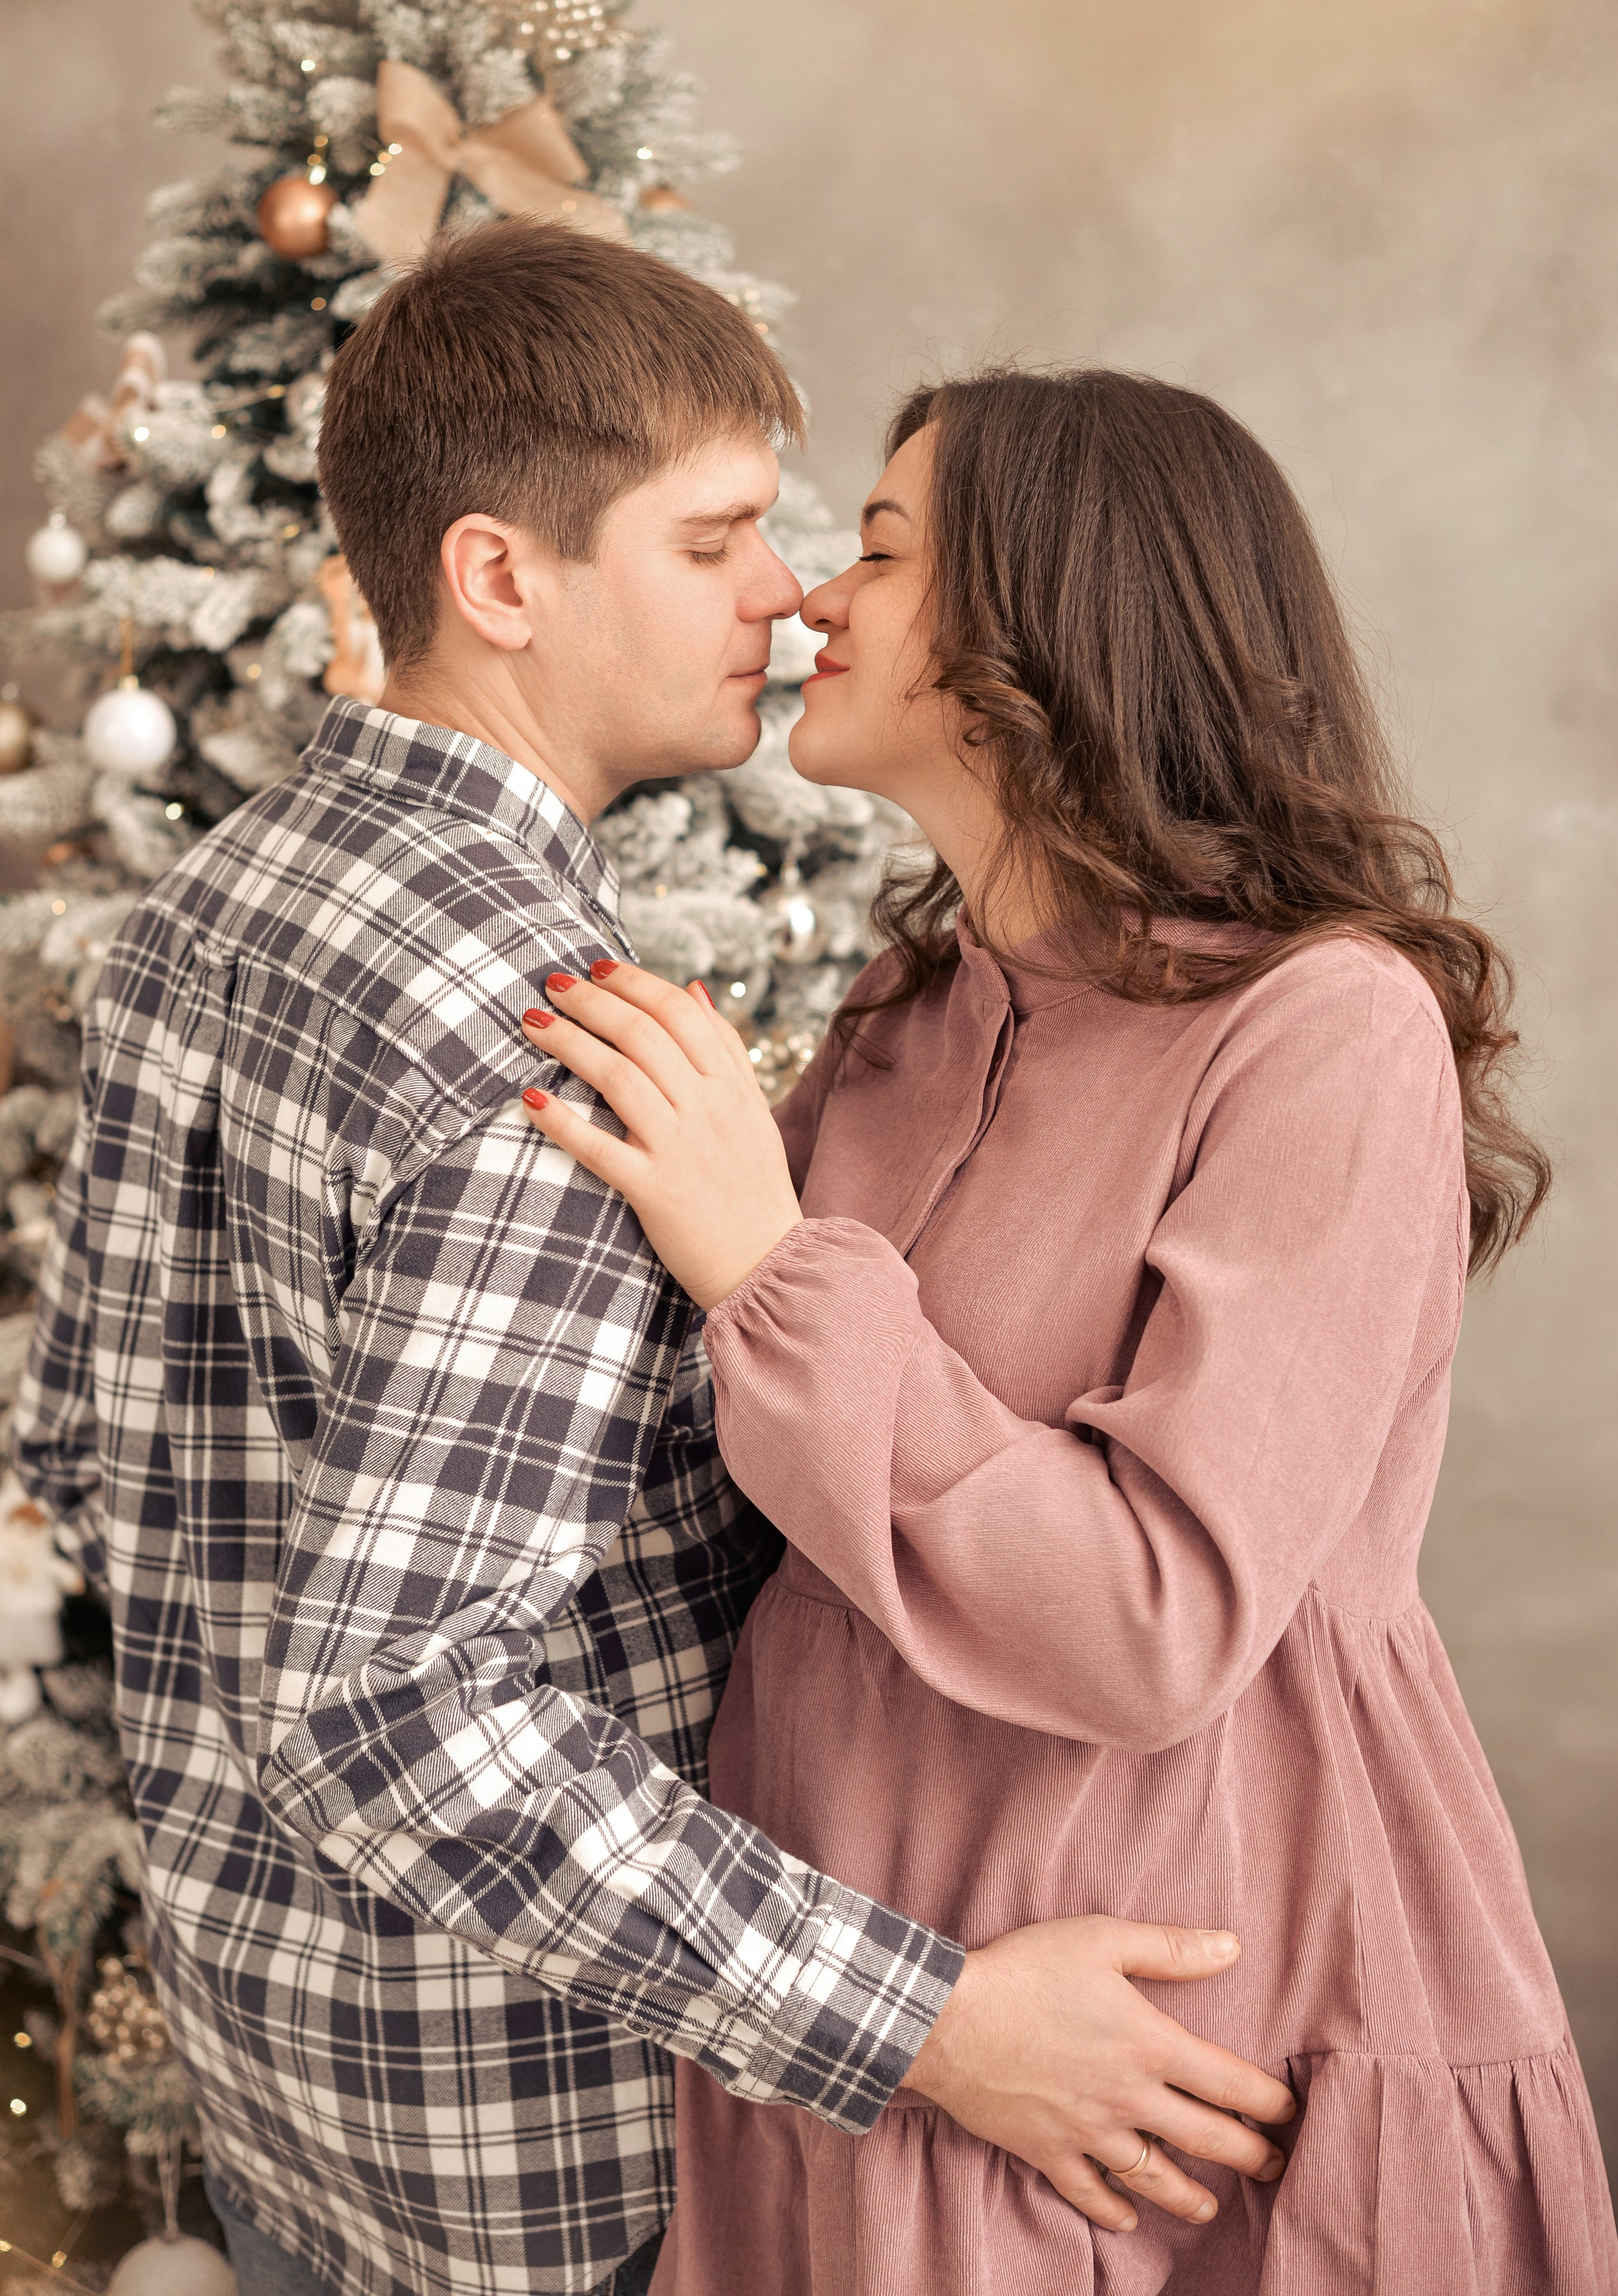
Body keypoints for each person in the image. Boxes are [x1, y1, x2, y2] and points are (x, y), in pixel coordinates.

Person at [12, 233, 1296, 2296]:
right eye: (711, 543)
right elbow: (391, 1712)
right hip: (540, 2168)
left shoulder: (212, 900)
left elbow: (87, 1449)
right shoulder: (554, 1035)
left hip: (272, 2095)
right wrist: (931, 2021)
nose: (783, 592)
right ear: (501, 578)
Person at [511, 367, 1618, 2295]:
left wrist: (772, 1268)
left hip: (1175, 2023)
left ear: (1049, 617)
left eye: (877, 549)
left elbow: (1151, 1613)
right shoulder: (899, 1015)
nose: (810, 597)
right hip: (869, 2010)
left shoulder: (1322, 1028)